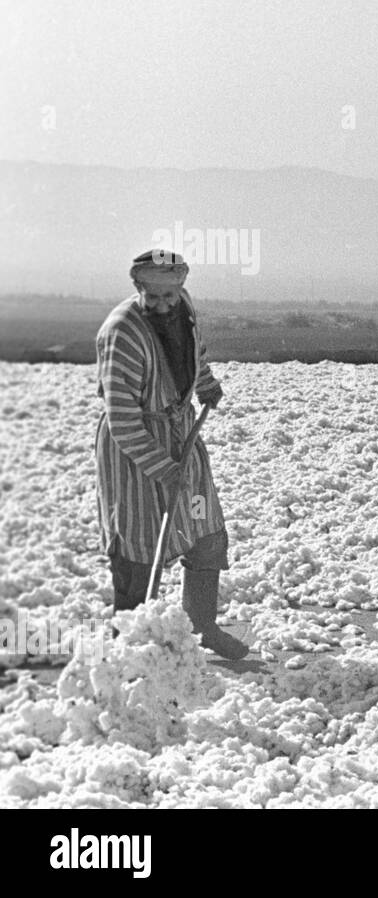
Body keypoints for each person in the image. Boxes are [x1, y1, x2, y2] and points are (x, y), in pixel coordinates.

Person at [95, 249, 247, 659]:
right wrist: (163, 468)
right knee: (137, 545)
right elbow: (123, 419)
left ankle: (202, 627)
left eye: (172, 295)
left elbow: (193, 352)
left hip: (181, 435)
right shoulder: (122, 333)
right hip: (136, 453)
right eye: (154, 296)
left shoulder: (184, 308)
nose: (164, 304)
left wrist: (206, 384)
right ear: (138, 287)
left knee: (205, 527)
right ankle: (127, 644)